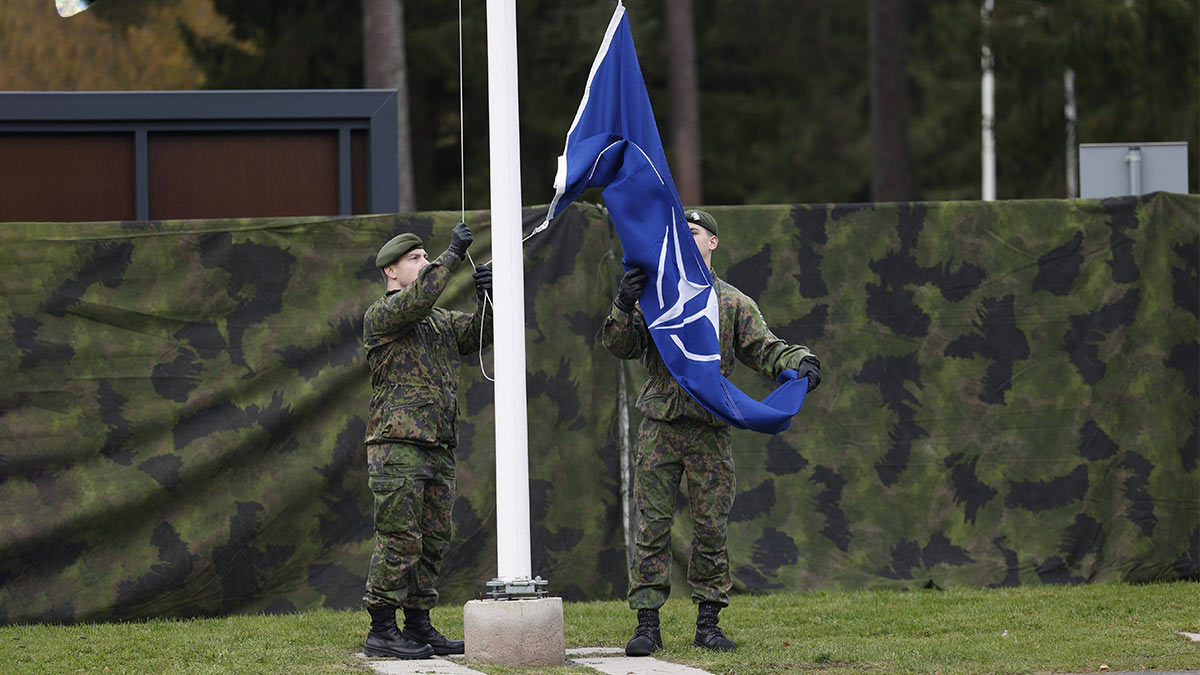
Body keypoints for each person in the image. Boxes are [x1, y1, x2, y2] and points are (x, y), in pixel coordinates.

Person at [602, 209, 822, 656]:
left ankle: (708, 624)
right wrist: (623, 305)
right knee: (653, 528)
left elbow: (766, 349)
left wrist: (799, 361)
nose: (687, 238)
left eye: (695, 232)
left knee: (710, 529)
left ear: (713, 243)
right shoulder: (658, 299)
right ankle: (647, 625)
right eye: (680, 232)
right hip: (661, 428)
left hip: (709, 430)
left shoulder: (732, 303)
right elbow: (620, 346)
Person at [361, 222, 493, 660]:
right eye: (415, 260)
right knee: (400, 538)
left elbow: (478, 336)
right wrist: (451, 256)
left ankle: (418, 625)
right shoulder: (383, 315)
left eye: (425, 257)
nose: (425, 263)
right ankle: (382, 628)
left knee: (433, 541)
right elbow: (417, 302)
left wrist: (487, 299)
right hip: (397, 445)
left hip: (437, 444)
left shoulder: (436, 320)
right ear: (391, 273)